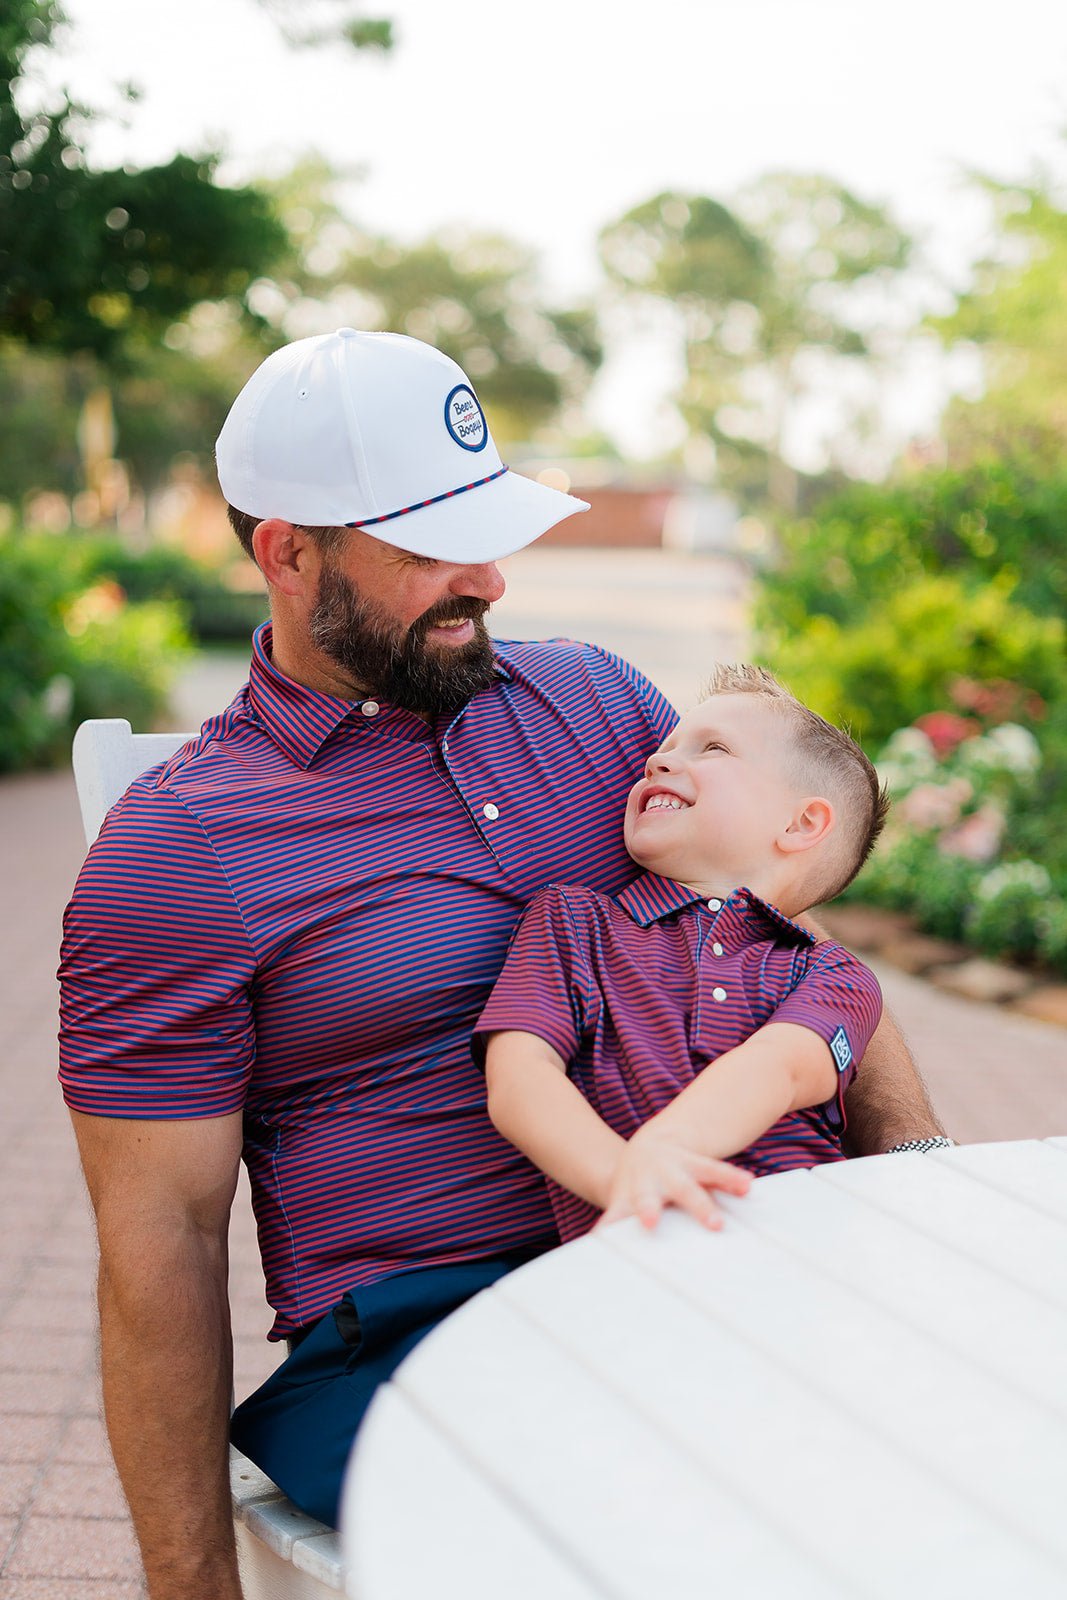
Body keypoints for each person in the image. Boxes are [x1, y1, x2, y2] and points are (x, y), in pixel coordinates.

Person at [58, 329, 947, 1596]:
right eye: (429, 546)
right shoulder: (180, 849)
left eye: (488, 527)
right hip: (419, 1336)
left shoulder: (600, 707)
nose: (489, 577)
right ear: (287, 552)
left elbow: (793, 967)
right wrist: (188, 1586)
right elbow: (159, 1239)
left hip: (683, 1274)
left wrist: (921, 1191)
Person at [478, 664, 887, 1240]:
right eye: (666, 748)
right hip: (631, 1243)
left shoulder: (831, 972)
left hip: (798, 1237)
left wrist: (664, 1149)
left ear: (801, 823)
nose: (658, 761)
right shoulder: (572, 921)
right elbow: (520, 1074)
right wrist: (624, 1177)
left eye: (713, 748)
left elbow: (780, 1068)